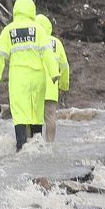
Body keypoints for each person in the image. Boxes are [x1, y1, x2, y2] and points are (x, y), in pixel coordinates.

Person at [0, 0, 60, 151]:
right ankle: (38, 144)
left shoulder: (8, 30)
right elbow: (47, 53)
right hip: (37, 78)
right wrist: (54, 73)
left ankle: (21, 146)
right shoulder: (38, 29)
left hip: (18, 79)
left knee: (20, 111)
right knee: (36, 110)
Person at [35, 13, 70, 142]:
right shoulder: (57, 43)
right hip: (51, 88)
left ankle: (32, 143)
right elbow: (65, 66)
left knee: (33, 118)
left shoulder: (34, 41)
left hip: (35, 88)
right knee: (50, 118)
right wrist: (63, 86)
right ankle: (50, 143)